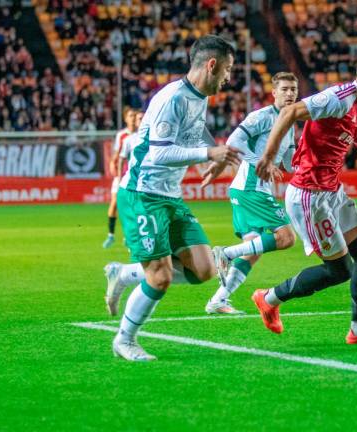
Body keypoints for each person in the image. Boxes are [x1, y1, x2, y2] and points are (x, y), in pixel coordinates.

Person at [253, 48, 357, 344]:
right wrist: (268, 157)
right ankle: (269, 298)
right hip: (309, 195)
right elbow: (290, 112)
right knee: (339, 270)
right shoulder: (338, 99)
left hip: (332, 191)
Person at [106, 35, 241, 361]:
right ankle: (124, 339)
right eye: (227, 70)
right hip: (142, 194)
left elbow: (196, 133)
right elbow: (160, 153)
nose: (227, 77)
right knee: (162, 276)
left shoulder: (199, 97)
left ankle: (123, 274)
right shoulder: (173, 99)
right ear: (212, 65)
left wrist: (213, 156)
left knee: (204, 270)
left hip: (170, 195)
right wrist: (207, 152)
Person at [203, 72, 300, 315]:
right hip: (250, 187)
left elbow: (289, 161)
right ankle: (225, 252)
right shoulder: (262, 116)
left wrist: (306, 165)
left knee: (253, 252)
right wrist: (262, 162)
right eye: (285, 89)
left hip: (249, 188)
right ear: (274, 93)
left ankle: (218, 300)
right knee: (287, 238)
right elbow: (235, 140)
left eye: (293, 90)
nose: (290, 94)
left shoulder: (290, 123)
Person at [103, 108, 142, 248]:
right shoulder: (122, 135)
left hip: (135, 177)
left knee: (132, 206)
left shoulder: (142, 135)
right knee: (114, 203)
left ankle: (129, 236)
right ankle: (111, 235)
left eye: (134, 116)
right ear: (126, 119)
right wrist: (113, 165)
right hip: (122, 175)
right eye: (130, 116)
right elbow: (116, 154)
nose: (132, 118)